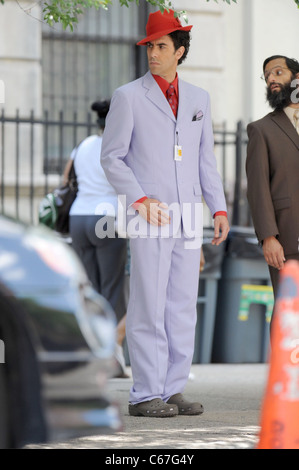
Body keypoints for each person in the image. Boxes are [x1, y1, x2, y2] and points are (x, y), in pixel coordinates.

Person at [101, 9, 229, 418]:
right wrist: (139, 200)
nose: (152, 54)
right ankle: (144, 394)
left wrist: (219, 206)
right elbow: (112, 158)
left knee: (180, 303)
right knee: (148, 304)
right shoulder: (127, 97)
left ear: (180, 51)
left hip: (190, 214)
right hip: (148, 213)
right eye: (150, 46)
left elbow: (205, 159)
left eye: (160, 46)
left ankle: (173, 388)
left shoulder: (199, 99)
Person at [64, 100, 128, 377]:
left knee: (88, 290)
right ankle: (111, 359)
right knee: (112, 290)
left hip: (78, 217)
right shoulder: (119, 146)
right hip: (107, 216)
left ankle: (87, 353)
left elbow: (66, 179)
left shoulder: (84, 145)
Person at [246, 55, 299, 327]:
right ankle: (284, 372)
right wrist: (268, 236)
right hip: (288, 241)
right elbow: (257, 188)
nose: (271, 80)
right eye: (267, 76)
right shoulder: (261, 130)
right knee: (288, 316)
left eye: (278, 72)